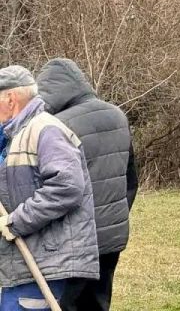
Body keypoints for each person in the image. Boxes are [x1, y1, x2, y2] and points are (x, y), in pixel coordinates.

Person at [37, 59, 138, 311]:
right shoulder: (117, 115)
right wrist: (117, 215)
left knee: (66, 304)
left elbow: (51, 186)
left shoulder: (56, 126)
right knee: (98, 303)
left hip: (73, 241)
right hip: (112, 236)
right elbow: (131, 178)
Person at [0, 64, 99, 310]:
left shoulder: (45, 129)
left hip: (43, 262)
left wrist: (16, 222)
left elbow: (67, 186)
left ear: (10, 99)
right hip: (23, 263)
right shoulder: (16, 134)